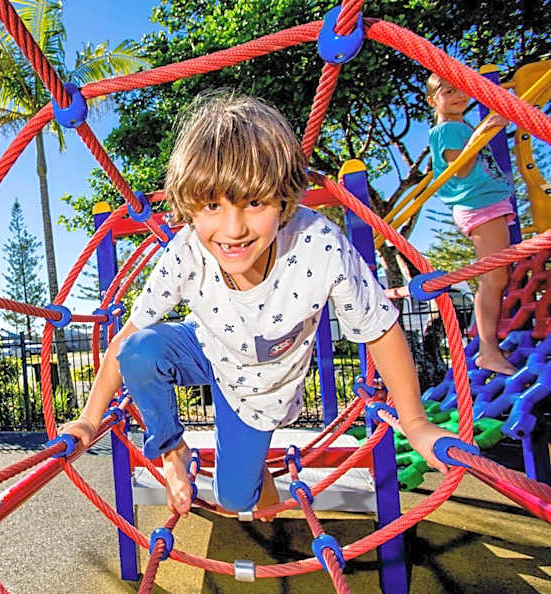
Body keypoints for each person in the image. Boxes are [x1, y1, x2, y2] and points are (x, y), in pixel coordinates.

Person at [61, 93, 454, 518]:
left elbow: (380, 328)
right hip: (207, 345)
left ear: (284, 199)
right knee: (139, 351)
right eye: (212, 205)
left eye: (254, 202)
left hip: (257, 388)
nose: (233, 229)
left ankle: (252, 480)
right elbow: (128, 336)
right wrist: (88, 419)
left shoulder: (318, 245)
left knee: (236, 502)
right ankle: (172, 449)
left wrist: (414, 423)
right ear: (190, 207)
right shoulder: (186, 251)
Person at [426, 73, 517, 375]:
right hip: (479, 204)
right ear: (432, 100)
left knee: (497, 277)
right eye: (447, 91)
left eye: (460, 90)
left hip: (486, 203)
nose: (457, 96)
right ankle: (488, 350)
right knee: (493, 279)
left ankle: (490, 347)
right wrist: (485, 130)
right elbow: (461, 168)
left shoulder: (458, 126)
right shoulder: (449, 129)